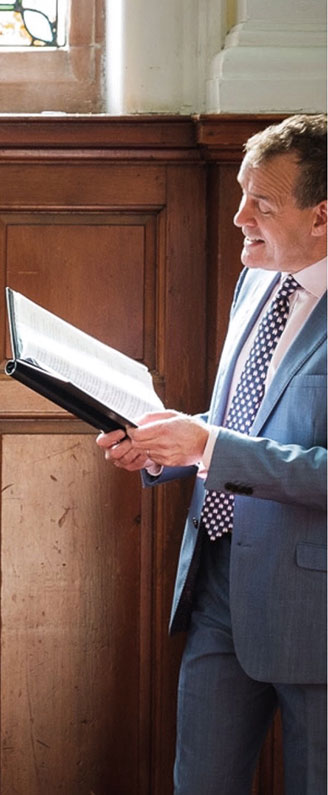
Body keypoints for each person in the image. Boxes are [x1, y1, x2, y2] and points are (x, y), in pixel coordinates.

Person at [97, 113, 326, 793]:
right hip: (216, 588)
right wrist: (165, 445)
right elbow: (240, 420)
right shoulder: (256, 282)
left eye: (261, 203)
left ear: (322, 216)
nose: (238, 218)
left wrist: (212, 446)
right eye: (240, 193)